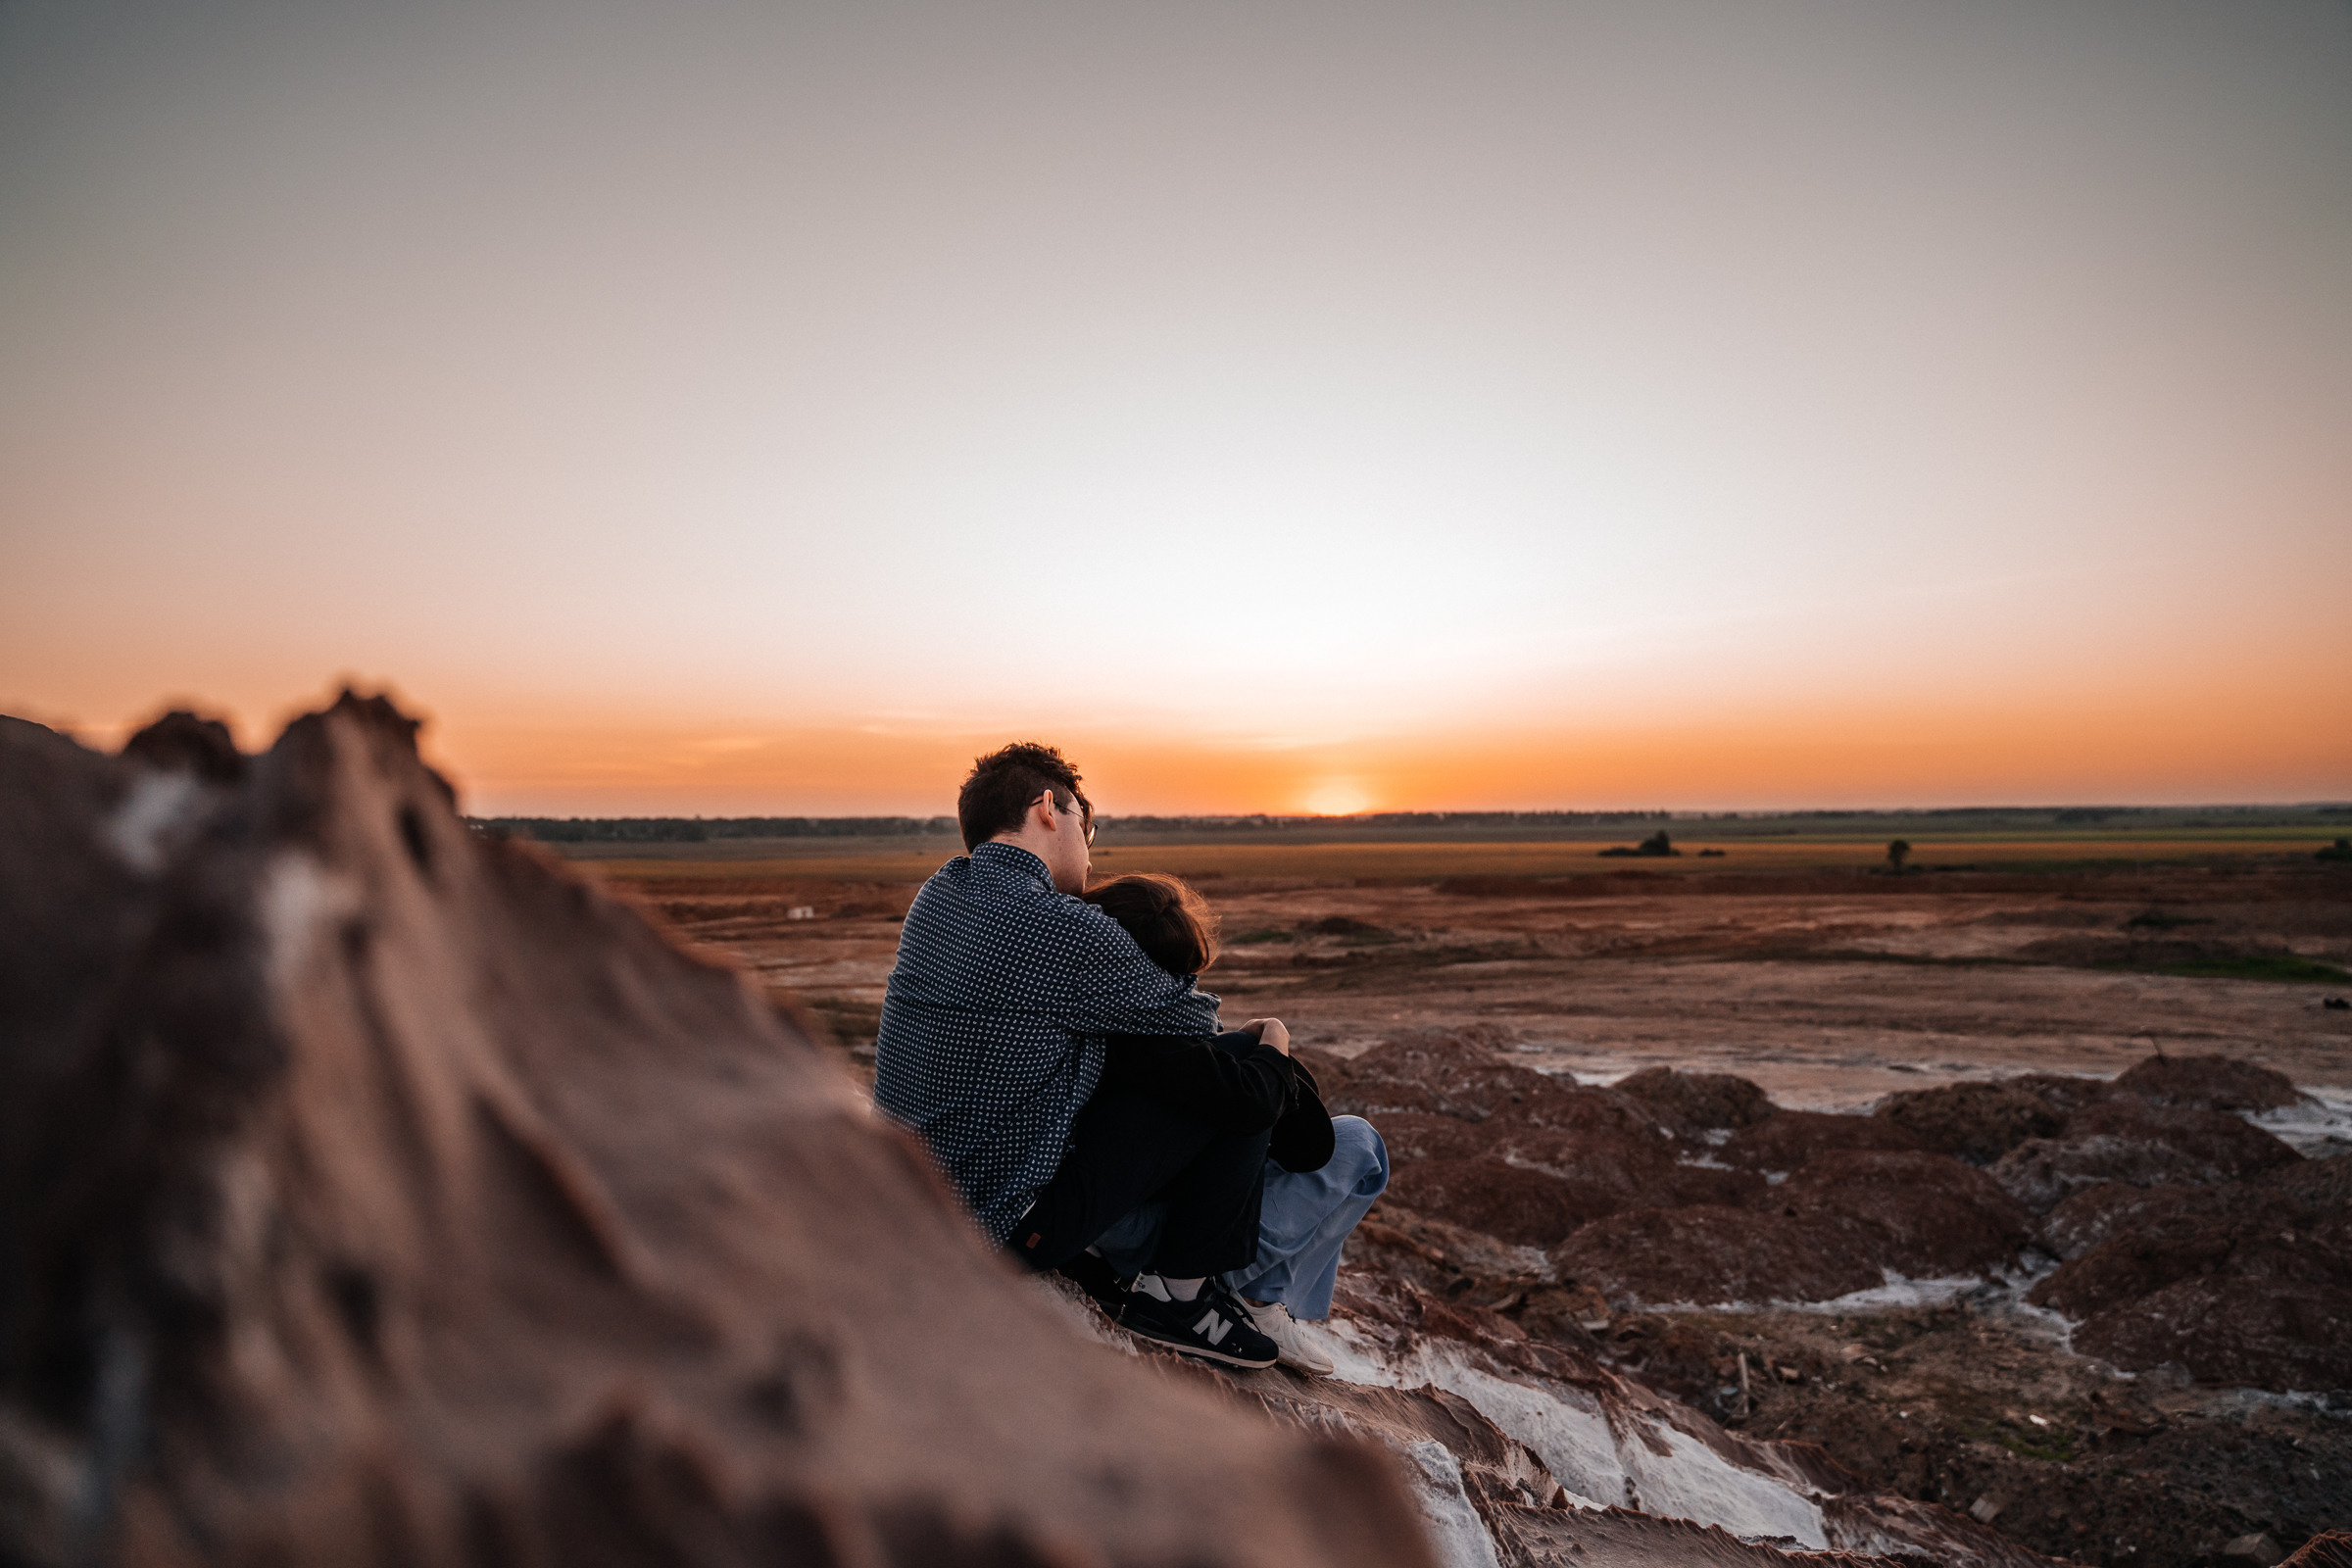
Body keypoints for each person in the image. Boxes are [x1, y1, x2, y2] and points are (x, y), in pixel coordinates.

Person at [874, 744, 1290, 1368]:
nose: (1091, 851)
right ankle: (1176, 1297)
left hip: (914, 1199)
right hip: (1001, 1225)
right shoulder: (1063, 928)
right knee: (1240, 1069)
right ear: (1048, 809)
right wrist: (1275, 1041)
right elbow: (1196, 1023)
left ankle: (1167, 1277)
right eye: (1087, 828)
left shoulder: (939, 895)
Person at [1074, 874, 1390, 1377]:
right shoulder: (1163, 1037)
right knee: (1359, 1145)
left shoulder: (1084, 1018)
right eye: (1184, 975)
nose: (1189, 988)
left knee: (1320, 1128)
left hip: (1108, 1219)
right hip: (1147, 1240)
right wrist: (1270, 1044)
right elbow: (1309, 1145)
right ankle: (1246, 1297)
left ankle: (1254, 1300)